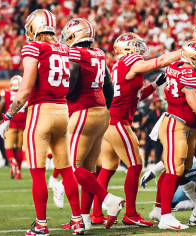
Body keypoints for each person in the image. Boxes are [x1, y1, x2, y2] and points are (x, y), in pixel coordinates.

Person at [0, 10, 86, 235]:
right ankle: (77, 220)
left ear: (32, 27)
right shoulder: (65, 49)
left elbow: (25, 88)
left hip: (41, 112)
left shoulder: (33, 47)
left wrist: (8, 115)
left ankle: (41, 224)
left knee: (37, 172)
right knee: (66, 170)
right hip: (62, 111)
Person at [92, 32, 181, 228]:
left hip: (110, 121)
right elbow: (160, 61)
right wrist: (184, 52)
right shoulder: (130, 61)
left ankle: (96, 213)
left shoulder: (118, 66)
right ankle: (130, 213)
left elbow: (135, 96)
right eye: (137, 45)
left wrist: (156, 84)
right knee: (135, 165)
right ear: (128, 49)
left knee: (108, 168)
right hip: (117, 122)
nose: (141, 48)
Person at [52, 18, 123, 230]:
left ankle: (110, 200)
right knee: (89, 170)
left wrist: (60, 97)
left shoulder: (74, 54)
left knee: (73, 167)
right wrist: (105, 109)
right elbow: (109, 87)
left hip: (83, 112)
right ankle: (84, 219)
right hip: (101, 112)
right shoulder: (99, 54)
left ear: (75, 34)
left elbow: (71, 84)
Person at [156, 39, 196, 230]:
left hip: (179, 123)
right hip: (176, 123)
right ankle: (165, 215)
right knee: (175, 169)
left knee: (181, 167)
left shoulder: (176, 65)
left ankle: (180, 213)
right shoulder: (190, 74)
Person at [0, 75, 27, 179]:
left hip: (10, 123)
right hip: (22, 124)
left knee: (8, 147)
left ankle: (12, 162)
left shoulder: (7, 93)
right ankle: (19, 172)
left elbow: (1, 106)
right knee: (18, 148)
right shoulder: (25, 94)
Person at [139, 98, 165, 168]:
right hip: (150, 132)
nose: (159, 103)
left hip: (159, 133)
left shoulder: (164, 112)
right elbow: (147, 122)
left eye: (160, 102)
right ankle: (146, 163)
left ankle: (157, 163)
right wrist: (142, 128)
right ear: (155, 103)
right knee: (147, 147)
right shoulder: (152, 113)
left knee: (159, 148)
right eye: (158, 102)